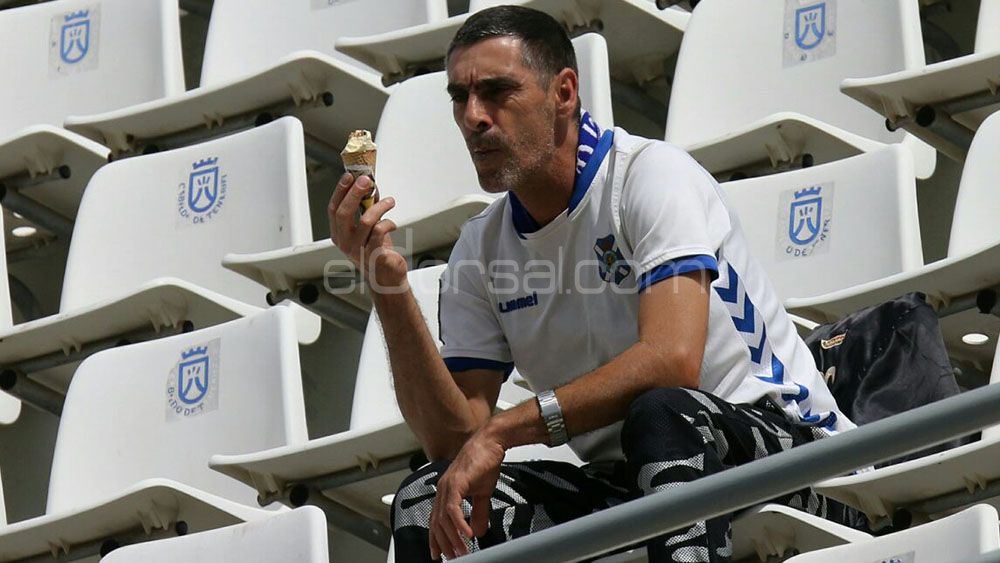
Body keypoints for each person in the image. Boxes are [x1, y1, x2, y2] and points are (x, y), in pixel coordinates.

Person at [327, 6, 854, 562]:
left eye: (497, 91)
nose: (473, 117)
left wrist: (506, 431)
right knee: (429, 496)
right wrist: (387, 289)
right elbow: (456, 444)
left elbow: (672, 362)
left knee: (665, 414)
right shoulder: (477, 253)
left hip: (799, 461)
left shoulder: (650, 176)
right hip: (632, 480)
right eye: (460, 97)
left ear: (564, 92)